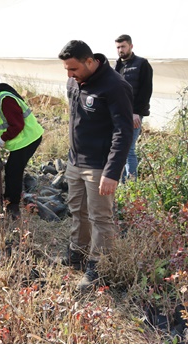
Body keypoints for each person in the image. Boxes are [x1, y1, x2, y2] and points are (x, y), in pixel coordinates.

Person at [57, 39, 133, 291]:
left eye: (73, 69)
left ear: (90, 62)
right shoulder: (75, 81)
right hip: (75, 160)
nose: (69, 75)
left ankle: (97, 268)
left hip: (99, 166)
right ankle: (76, 253)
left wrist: (112, 172)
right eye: (67, 70)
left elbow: (123, 132)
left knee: (100, 217)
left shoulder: (114, 86)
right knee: (77, 210)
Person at [0, 73, 44, 220]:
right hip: (24, 139)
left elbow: (17, 124)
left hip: (28, 140)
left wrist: (3, 138)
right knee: (12, 170)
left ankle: (13, 207)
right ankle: (10, 201)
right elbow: (5, 122)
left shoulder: (5, 99)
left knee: (14, 172)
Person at [114, 34, 153, 182]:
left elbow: (146, 91)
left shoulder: (142, 64)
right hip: (119, 114)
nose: (120, 50)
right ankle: (121, 181)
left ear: (131, 46)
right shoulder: (117, 65)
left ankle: (132, 184)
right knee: (119, 148)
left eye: (123, 46)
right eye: (118, 47)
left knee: (129, 148)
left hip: (134, 114)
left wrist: (136, 112)